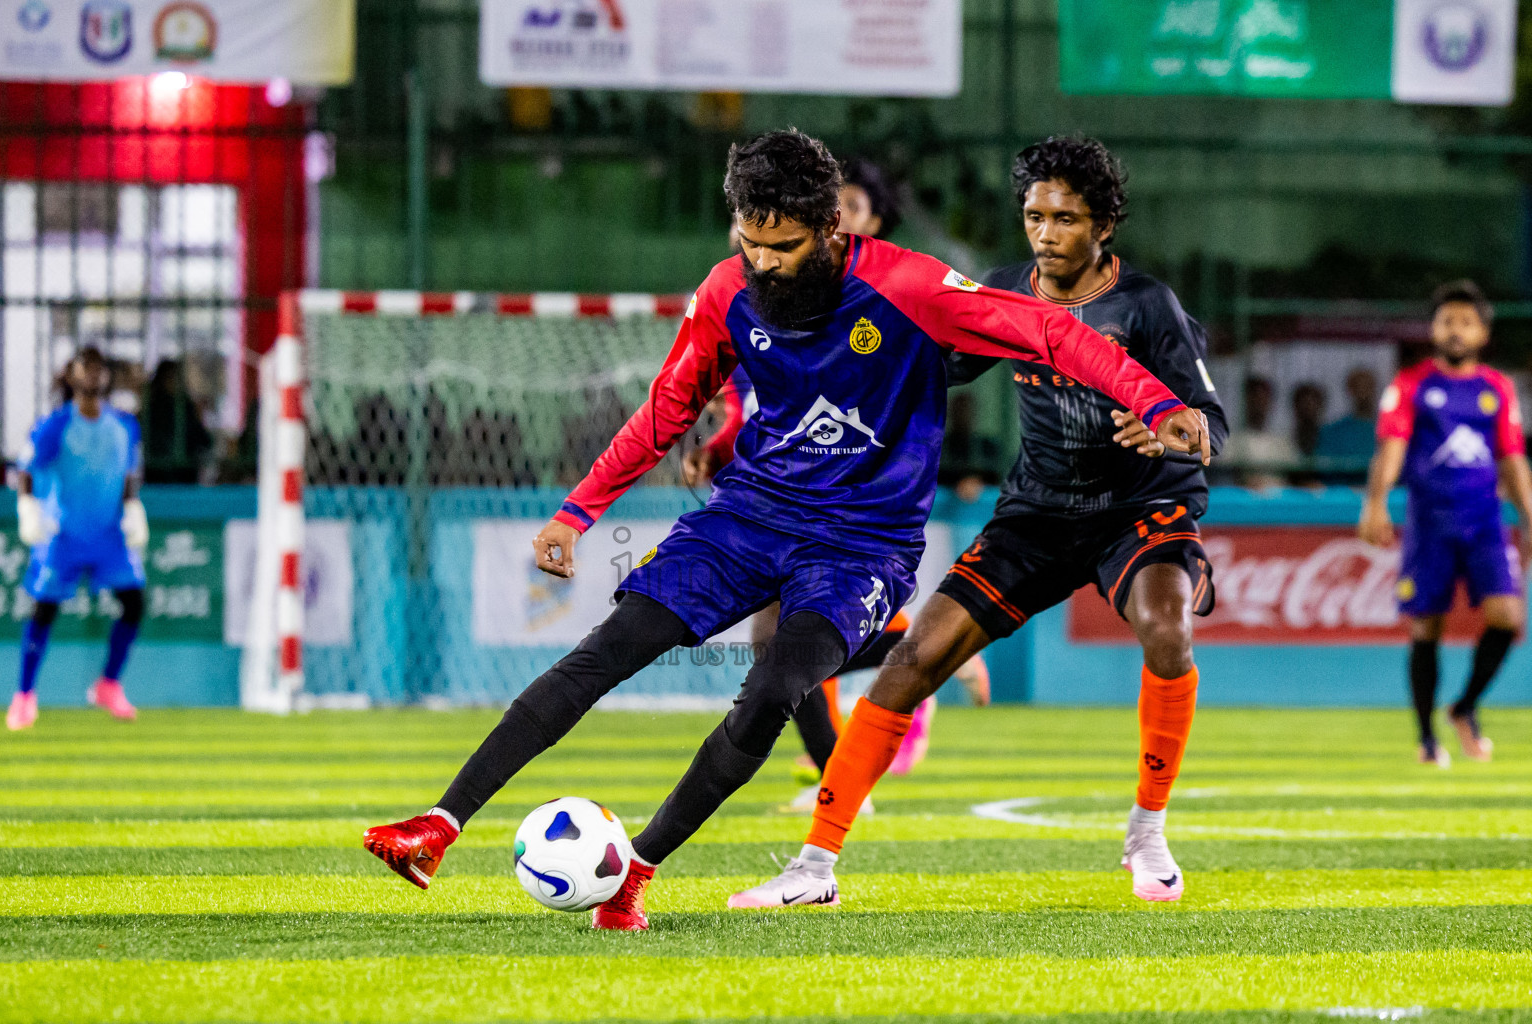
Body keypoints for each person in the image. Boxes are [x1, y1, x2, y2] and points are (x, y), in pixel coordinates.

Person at [361, 129, 1208, 930]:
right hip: (750, 515)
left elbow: (1053, 330)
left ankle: (635, 874)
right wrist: (578, 511)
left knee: (772, 689)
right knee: (609, 648)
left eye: (783, 246)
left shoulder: (912, 288)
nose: (761, 262)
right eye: (748, 240)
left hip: (861, 545)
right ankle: (438, 823)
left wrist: (1159, 402)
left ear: (830, 226)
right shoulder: (728, 288)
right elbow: (669, 408)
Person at [730, 134, 1225, 910]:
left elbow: (1209, 425)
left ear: (1104, 225)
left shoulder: (1148, 305)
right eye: (1034, 215)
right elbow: (931, 360)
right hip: (1035, 517)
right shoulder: (1002, 288)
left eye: (1065, 217)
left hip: (1141, 511)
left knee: (1168, 631)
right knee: (910, 664)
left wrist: (1178, 428)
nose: (1046, 232)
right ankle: (814, 867)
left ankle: (1148, 830)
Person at [695, 155, 977, 798]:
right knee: (776, 642)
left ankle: (931, 660)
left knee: (783, 640)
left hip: (852, 494)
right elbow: (747, 387)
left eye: (851, 206)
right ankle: (843, 771)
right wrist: (719, 441)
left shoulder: (893, 294)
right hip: (776, 478)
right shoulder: (761, 289)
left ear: (872, 218)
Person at [1359, 280, 1532, 767]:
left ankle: (1464, 707)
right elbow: (1391, 447)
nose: (1455, 330)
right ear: (1433, 328)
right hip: (1429, 524)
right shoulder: (1410, 385)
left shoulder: (1497, 388)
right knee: (1426, 628)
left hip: (1485, 524)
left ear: (1483, 333)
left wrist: (1529, 514)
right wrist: (1375, 503)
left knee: (1508, 618)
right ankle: (1426, 738)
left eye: (1466, 322)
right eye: (1447, 321)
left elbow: (1512, 456)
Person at [5, 348, 149, 731]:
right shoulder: (54, 426)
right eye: (86, 368)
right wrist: (28, 509)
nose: (94, 375)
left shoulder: (123, 426)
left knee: (134, 603)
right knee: (44, 611)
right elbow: (26, 469)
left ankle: (109, 684)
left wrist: (133, 508)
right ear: (71, 376)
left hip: (107, 533)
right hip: (63, 533)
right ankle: (24, 695)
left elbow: (129, 471)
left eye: (100, 368)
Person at [1222, 376, 1296, 488]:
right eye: (1254, 398)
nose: (1259, 404)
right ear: (1246, 401)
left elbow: (1294, 476)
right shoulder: (1231, 440)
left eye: (1263, 399)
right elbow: (1225, 475)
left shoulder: (1282, 442)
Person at [1316, 368, 1378, 485]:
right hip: (1341, 496)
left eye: (1368, 386)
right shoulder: (1332, 431)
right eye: (1358, 387)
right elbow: (1325, 468)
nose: (1363, 392)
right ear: (1350, 391)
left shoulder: (1388, 429)